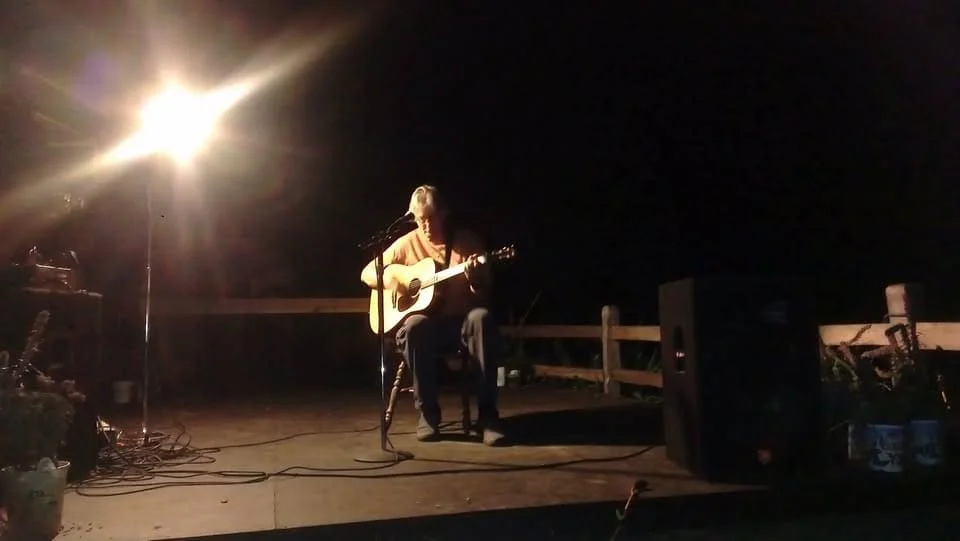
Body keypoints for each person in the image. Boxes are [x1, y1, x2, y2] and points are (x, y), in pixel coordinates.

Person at [360, 185, 506, 446]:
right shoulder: (407, 243)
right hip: (428, 328)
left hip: (461, 324)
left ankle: (488, 416)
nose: (426, 225)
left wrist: (475, 280)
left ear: (444, 213)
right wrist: (392, 279)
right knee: (415, 325)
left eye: (431, 217)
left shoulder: (466, 242)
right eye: (420, 219)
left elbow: (484, 295)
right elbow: (367, 273)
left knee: (481, 318)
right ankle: (428, 414)